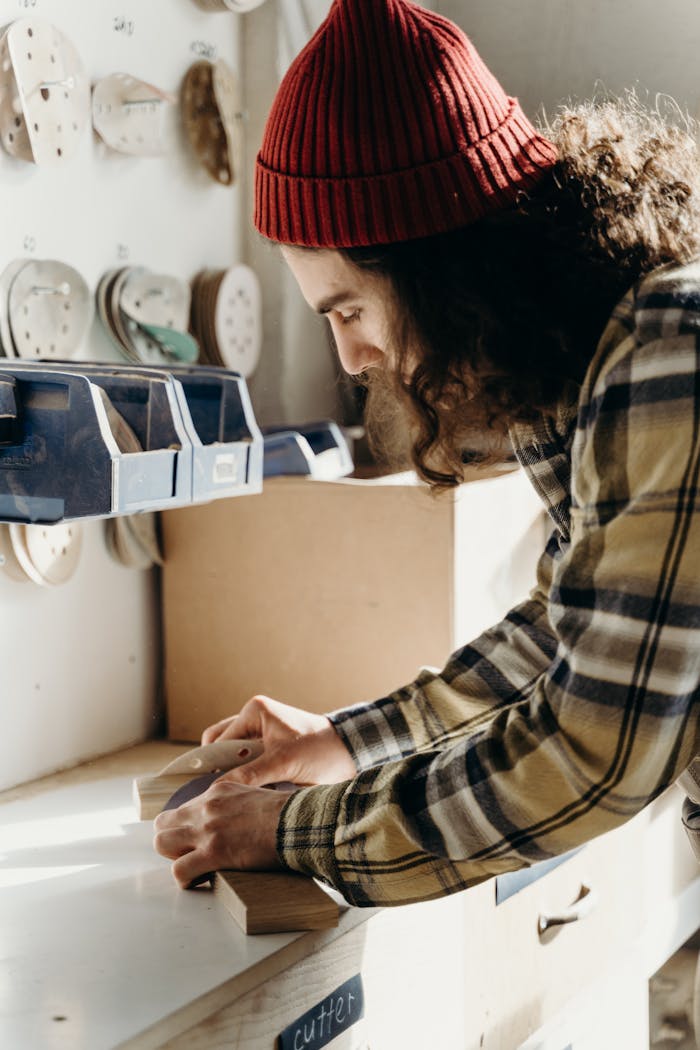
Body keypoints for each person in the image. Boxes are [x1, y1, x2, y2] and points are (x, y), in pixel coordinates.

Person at [154, 0, 700, 906]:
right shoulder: (598, 351)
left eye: (350, 311)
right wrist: (345, 738)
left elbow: (591, 753)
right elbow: (579, 629)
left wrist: (295, 829)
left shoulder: (669, 352)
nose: (352, 359)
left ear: (445, 273)